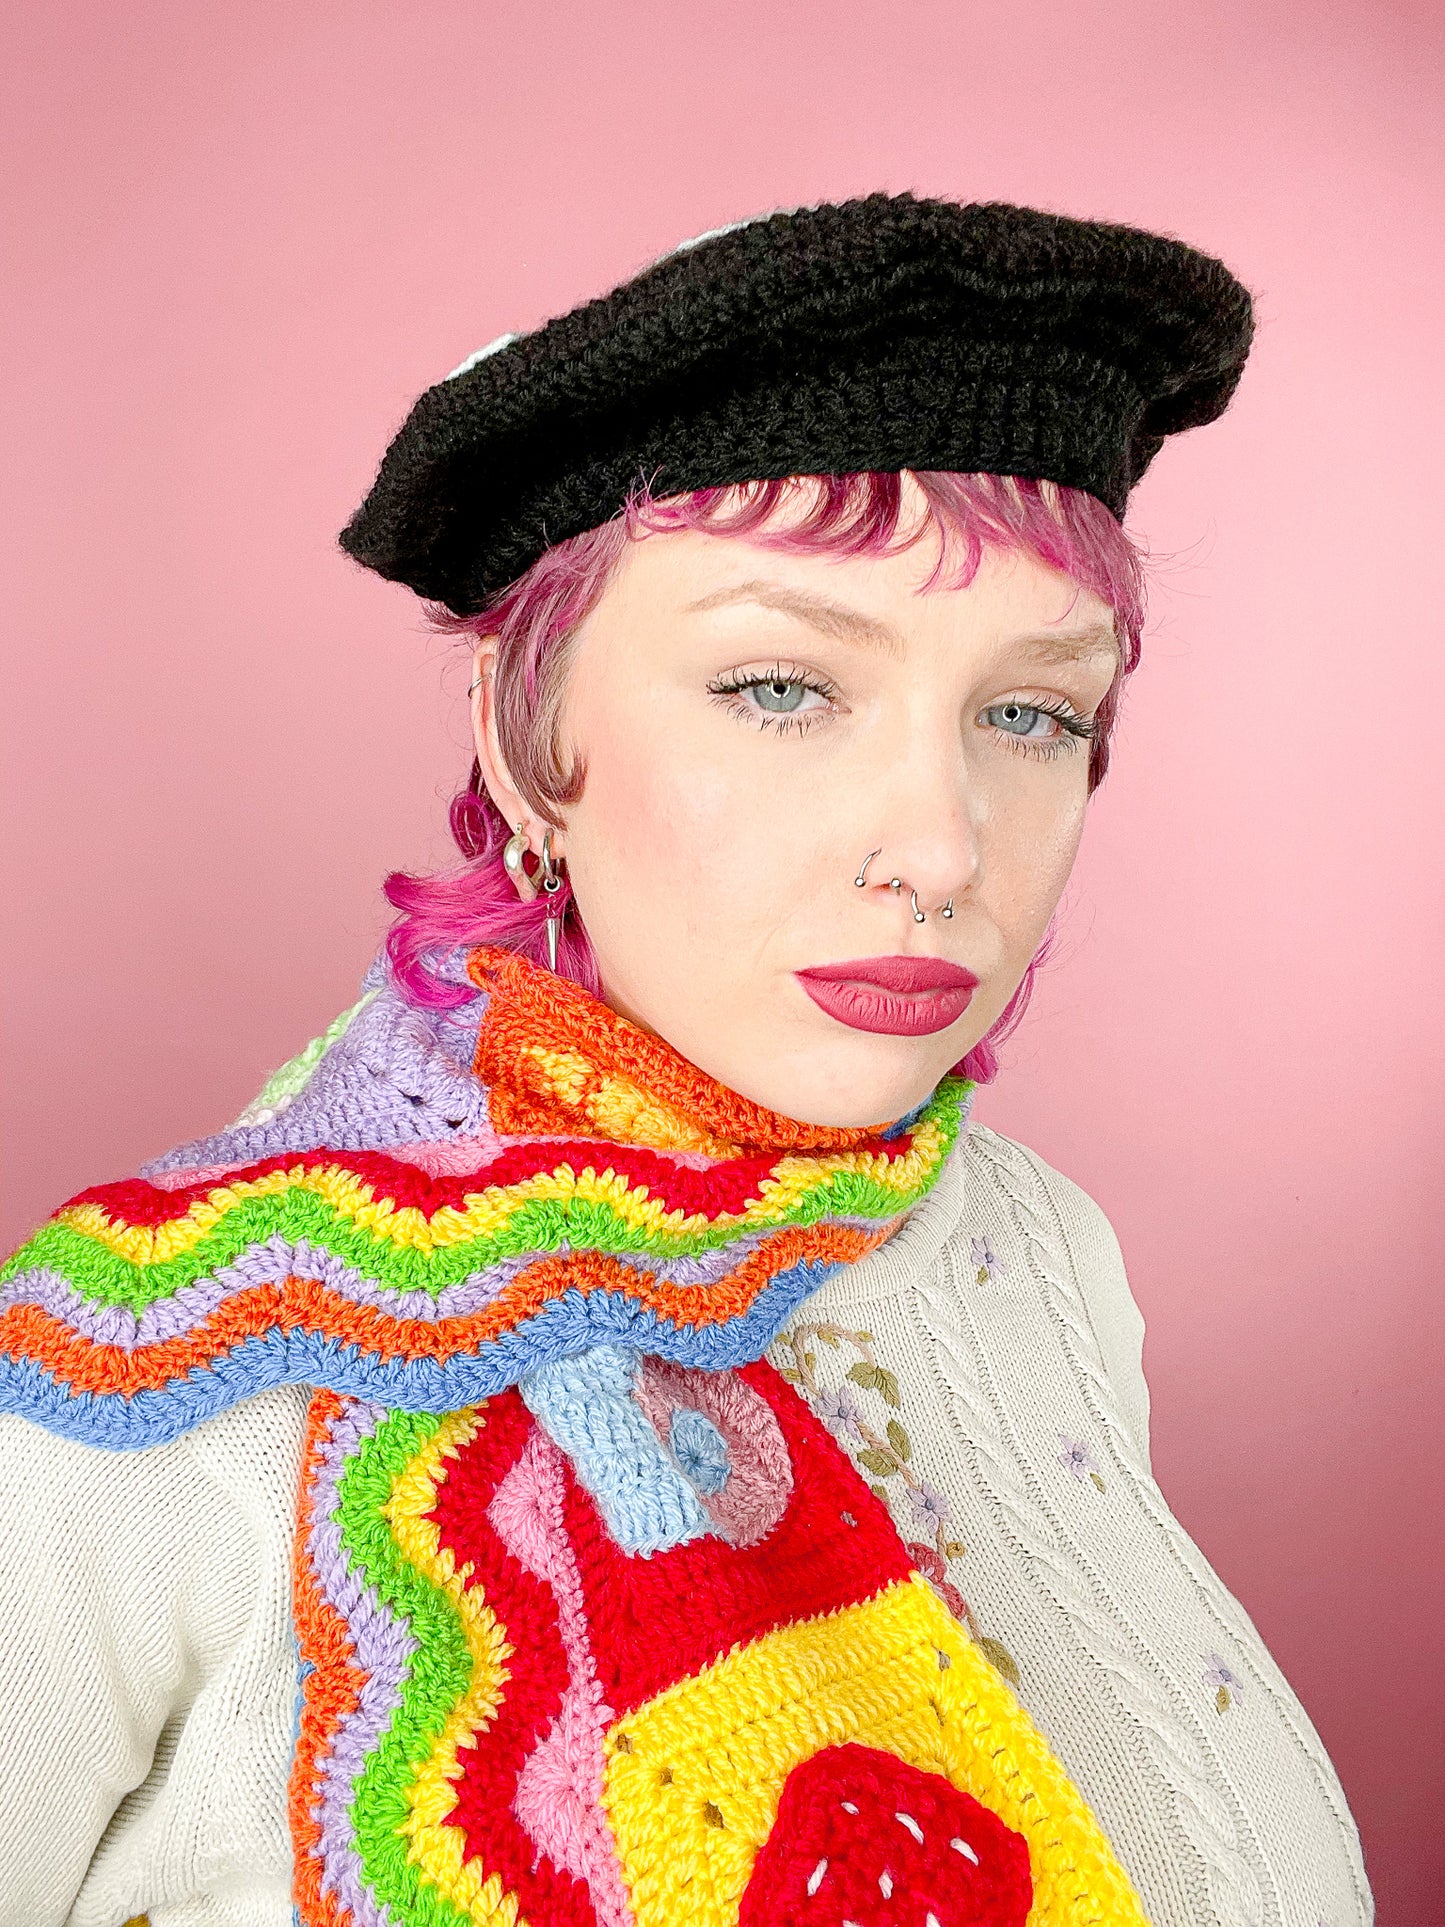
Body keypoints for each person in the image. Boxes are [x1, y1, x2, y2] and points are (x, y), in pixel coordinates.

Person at [0, 194, 1372, 1927]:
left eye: (1030, 713)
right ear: (524, 738)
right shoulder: (167, 1368)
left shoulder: (1034, 1250)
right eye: (781, 688)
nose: (941, 848)